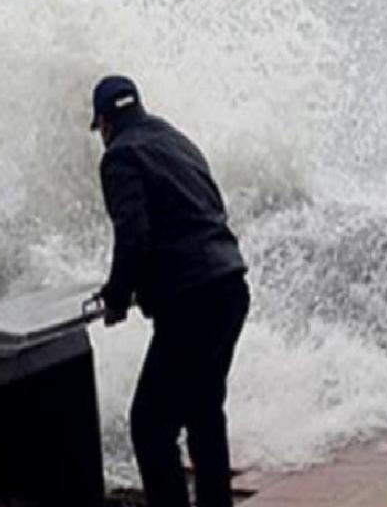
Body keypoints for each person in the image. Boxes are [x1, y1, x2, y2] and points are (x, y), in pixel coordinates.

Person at [88, 75, 250, 507]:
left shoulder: (120, 157)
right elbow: (206, 209)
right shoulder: (176, 140)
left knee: (150, 425)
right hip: (230, 286)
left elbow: (134, 236)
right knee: (203, 412)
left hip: (192, 301)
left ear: (105, 123)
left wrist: (117, 297)